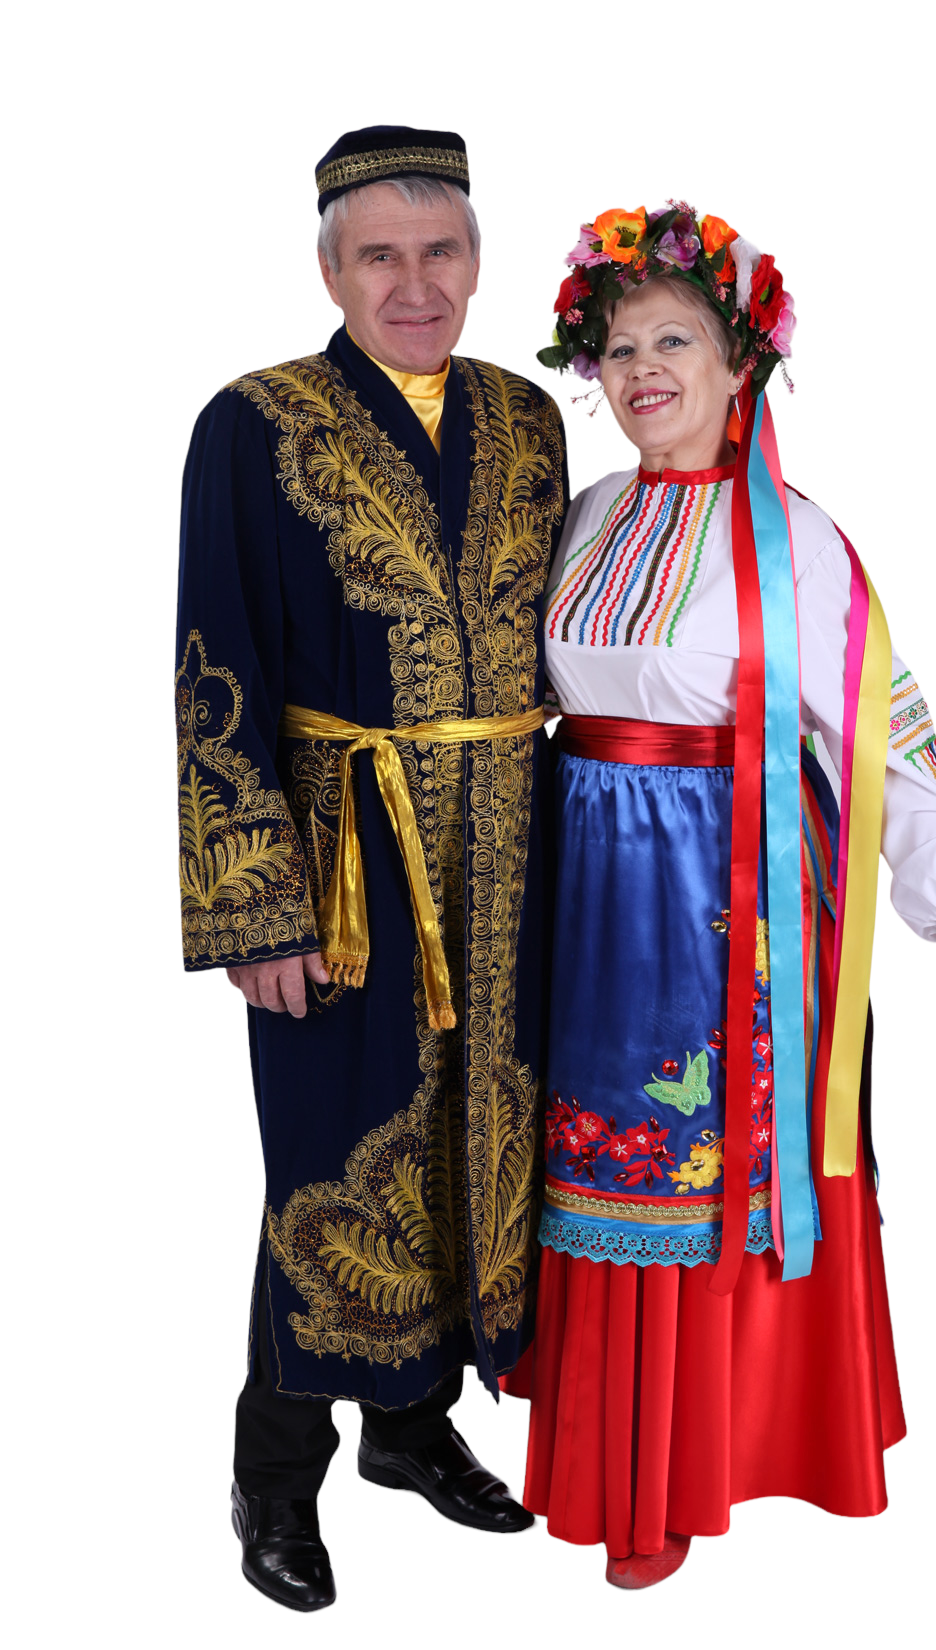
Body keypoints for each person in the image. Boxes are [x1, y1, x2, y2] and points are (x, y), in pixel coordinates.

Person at [497, 198, 936, 1589]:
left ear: (739, 363)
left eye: (674, 342)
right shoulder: (582, 513)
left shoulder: (798, 542)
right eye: (621, 347)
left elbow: (881, 737)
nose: (644, 370)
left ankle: (675, 1481)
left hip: (725, 899)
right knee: (582, 1165)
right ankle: (603, 1455)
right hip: (585, 887)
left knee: (702, 1166)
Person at [174, 124, 568, 1613]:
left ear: (479, 261)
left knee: (485, 1147)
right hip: (347, 866)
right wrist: (253, 905)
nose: (415, 284)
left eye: (441, 251)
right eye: (380, 256)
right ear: (331, 271)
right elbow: (216, 666)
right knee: (333, 1159)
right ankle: (276, 1477)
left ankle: (414, 1431)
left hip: (514, 859)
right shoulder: (251, 421)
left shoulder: (531, 417)